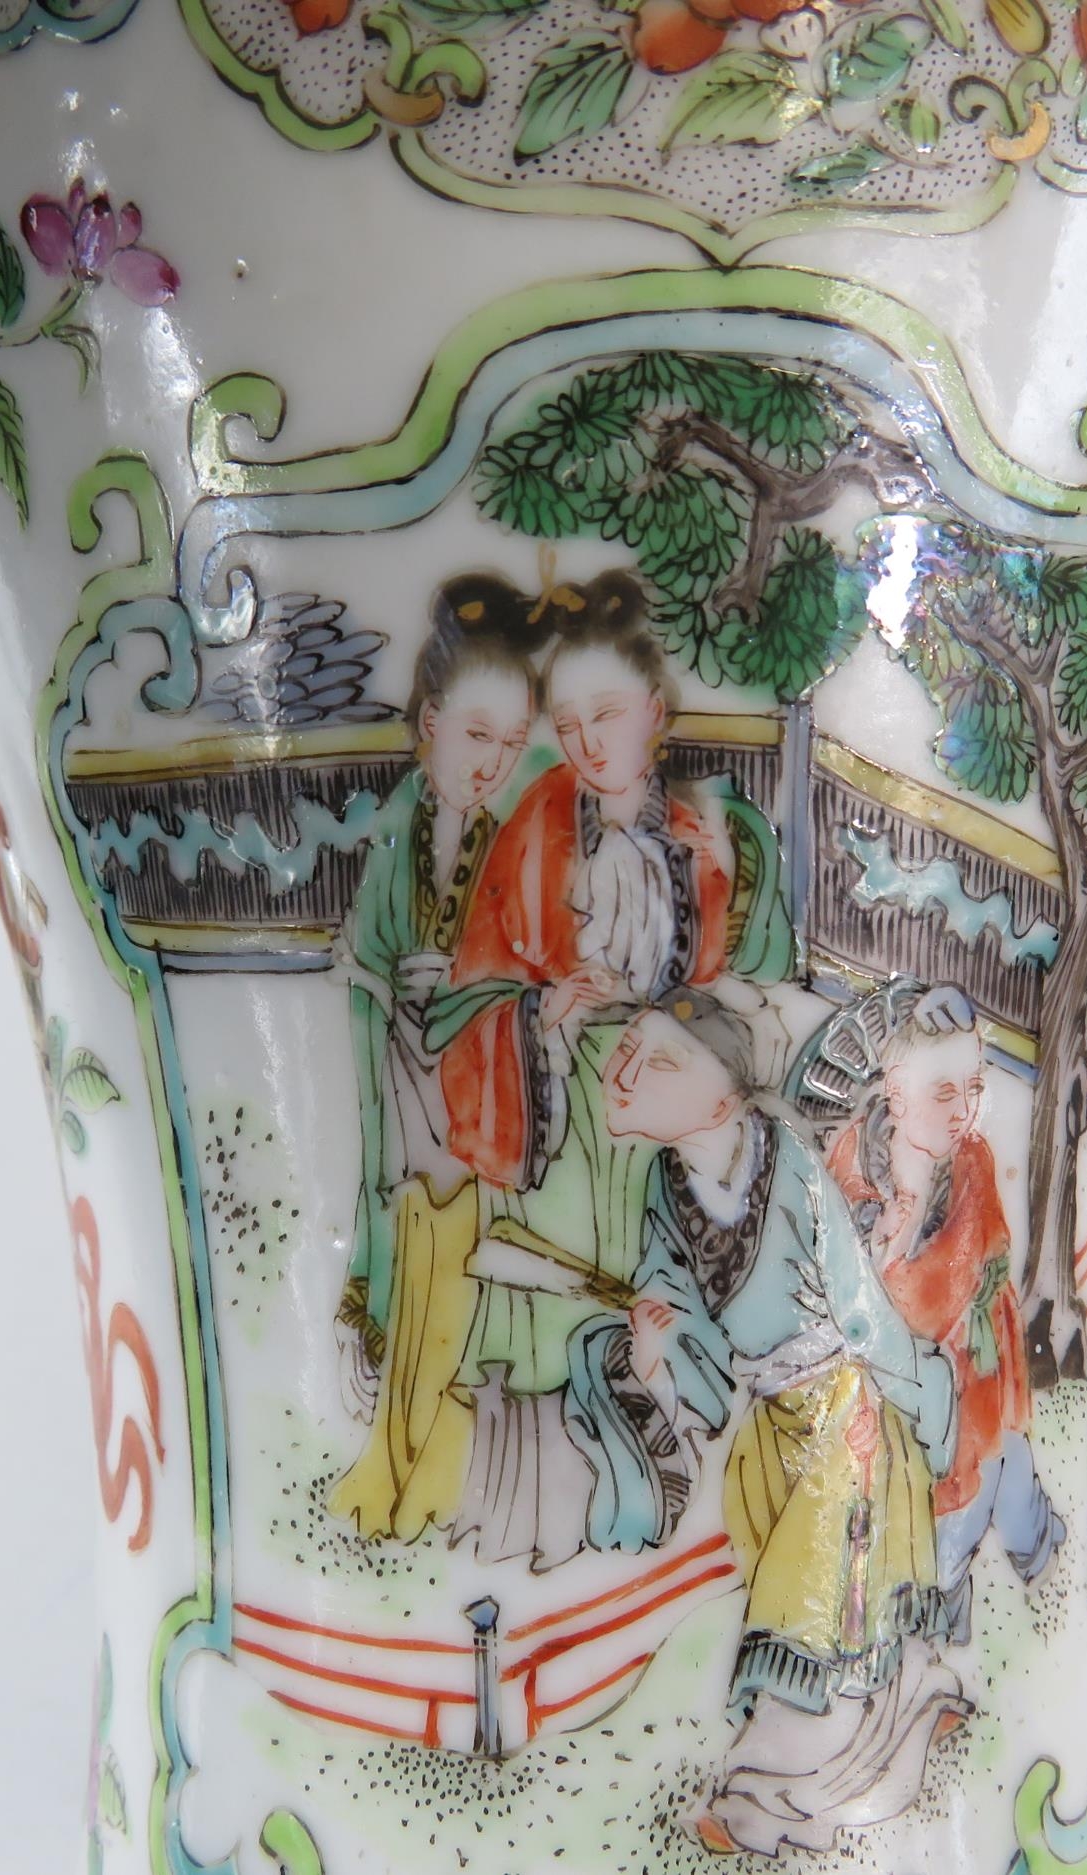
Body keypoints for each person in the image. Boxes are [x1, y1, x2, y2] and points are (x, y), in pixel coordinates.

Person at [427, 576, 794, 1567]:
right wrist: (543, 1011)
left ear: (655, 712)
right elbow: (475, 984)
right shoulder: (537, 824)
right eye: (567, 723)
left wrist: (685, 1024)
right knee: (555, 1315)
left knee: (660, 1301)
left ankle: (670, 1495)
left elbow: (752, 987)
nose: (586, 743)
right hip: (560, 1116)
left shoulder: (712, 833)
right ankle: (540, 1509)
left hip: (667, 1113)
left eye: (606, 714)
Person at [575, 998, 967, 1858]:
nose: (624, 1074)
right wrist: (654, 1350)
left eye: (659, 1061)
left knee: (804, 1598)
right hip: (770, 1418)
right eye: (627, 1051)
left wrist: (903, 1396)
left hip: (841, 1412)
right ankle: (882, 1727)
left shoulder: (783, 1161)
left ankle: (760, 1796)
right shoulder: (667, 1187)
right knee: (792, 1578)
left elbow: (856, 1301)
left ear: (727, 1094)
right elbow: (677, 1309)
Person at [328, 576, 544, 1543]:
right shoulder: (396, 827)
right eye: (475, 735)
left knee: (453, 1275)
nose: (492, 763)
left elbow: (532, 957)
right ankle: (392, 1459)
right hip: (405, 1079)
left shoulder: (513, 837)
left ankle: (426, 1473)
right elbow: (362, 953)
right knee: (414, 1263)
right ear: (429, 726)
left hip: (474, 1085)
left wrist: (470, 982)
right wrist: (392, 985)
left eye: (511, 742)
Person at [827, 987, 1065, 1642]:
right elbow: (848, 1296)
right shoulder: (853, 1169)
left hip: (978, 1370)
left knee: (1003, 1472)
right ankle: (938, 1632)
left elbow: (980, 1263)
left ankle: (1045, 1576)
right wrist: (892, 1242)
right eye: (942, 1093)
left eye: (974, 1089)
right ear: (896, 1092)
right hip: (897, 1395)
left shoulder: (973, 1161)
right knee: (944, 1522)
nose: (963, 1111)